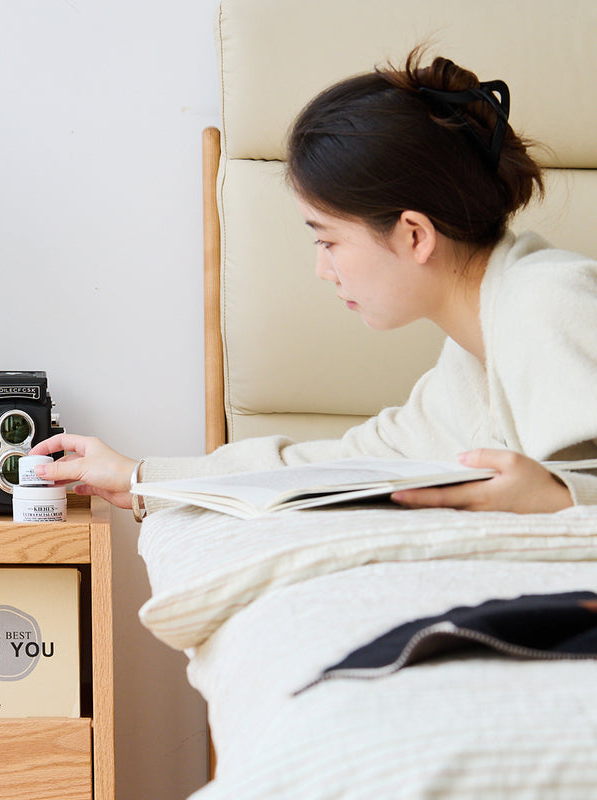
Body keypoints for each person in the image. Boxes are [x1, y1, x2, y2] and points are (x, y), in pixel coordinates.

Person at [32, 50, 597, 517]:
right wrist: (139, 477)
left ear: (414, 235)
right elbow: (345, 466)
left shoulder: (548, 302)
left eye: (328, 241)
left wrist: (559, 496)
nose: (323, 270)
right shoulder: (468, 360)